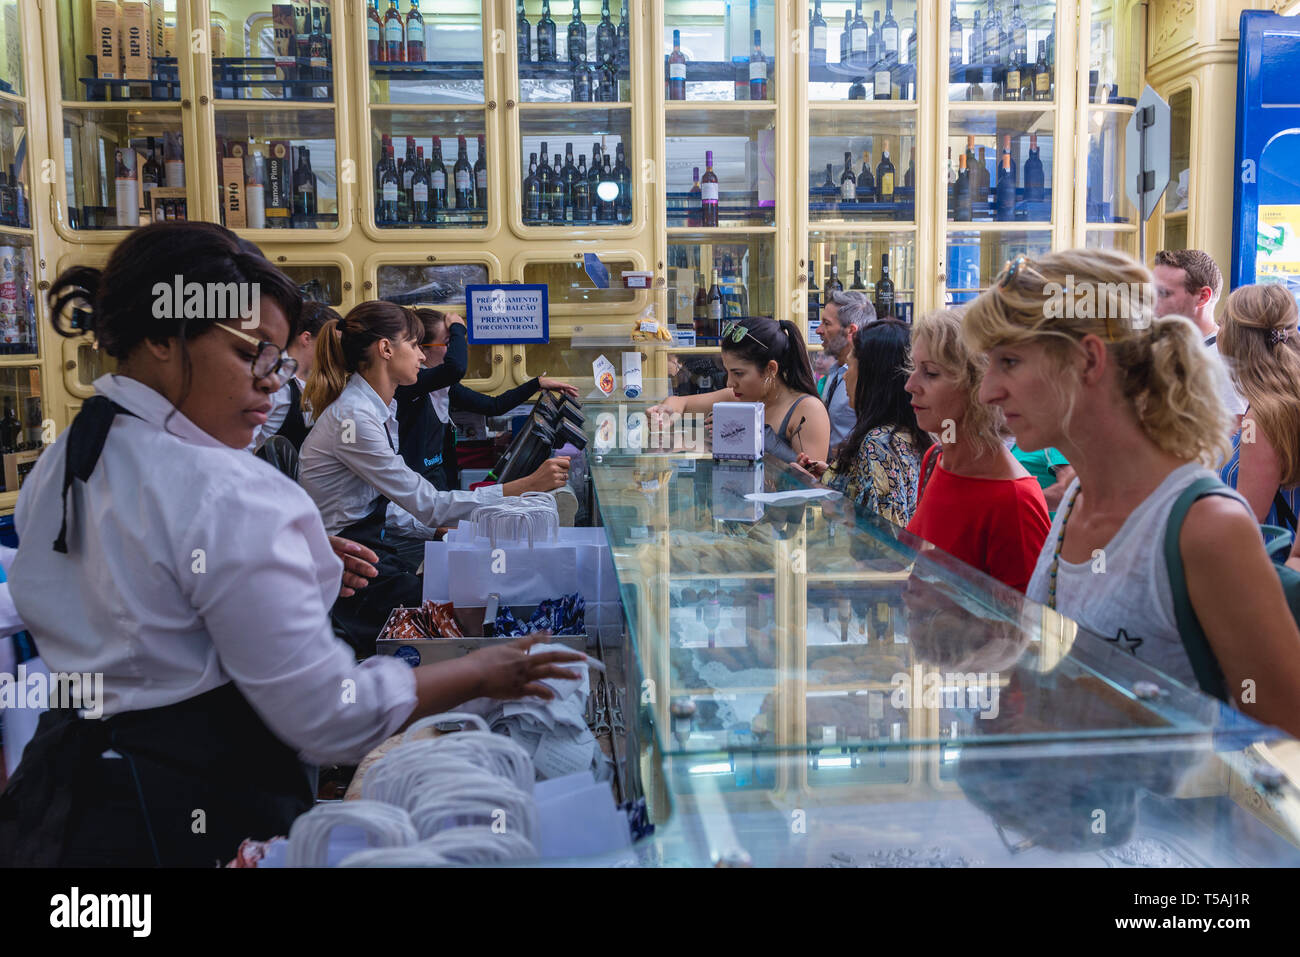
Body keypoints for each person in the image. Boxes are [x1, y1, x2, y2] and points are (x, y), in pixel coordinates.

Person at [0, 222, 582, 866]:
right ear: (164, 336)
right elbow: (329, 716)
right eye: (253, 353)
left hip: (62, 800)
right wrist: (482, 669)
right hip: (185, 818)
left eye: (278, 359)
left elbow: (136, 585)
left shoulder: (69, 455)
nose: (273, 381)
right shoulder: (230, 493)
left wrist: (276, 562)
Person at [965, 249, 1300, 737]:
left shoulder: (1204, 527)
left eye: (1010, 361)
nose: (987, 391)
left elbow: (1284, 744)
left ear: (1089, 361)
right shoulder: (1079, 496)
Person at [299, 302, 570, 649]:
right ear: (385, 349)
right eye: (414, 345)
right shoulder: (354, 420)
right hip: (348, 566)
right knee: (458, 613)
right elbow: (427, 504)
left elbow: (382, 506)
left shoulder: (377, 409)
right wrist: (523, 487)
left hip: (368, 545)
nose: (423, 358)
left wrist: (438, 529)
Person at [903, 308, 1050, 593]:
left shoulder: (1015, 502)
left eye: (931, 373)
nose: (910, 385)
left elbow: (1024, 628)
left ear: (978, 386)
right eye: (914, 368)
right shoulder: (936, 459)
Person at [400, 307, 579, 492]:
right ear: (423, 350)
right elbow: (455, 369)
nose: (455, 348)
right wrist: (457, 329)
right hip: (416, 491)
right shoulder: (412, 384)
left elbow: (494, 405)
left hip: (438, 485)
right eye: (448, 342)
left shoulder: (445, 387)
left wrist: (536, 383)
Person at [795, 319, 931, 527]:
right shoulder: (908, 432)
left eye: (851, 365)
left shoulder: (880, 444)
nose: (846, 375)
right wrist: (835, 478)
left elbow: (882, 536)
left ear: (873, 375)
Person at [648, 317, 831, 464]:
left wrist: (751, 435)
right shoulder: (740, 399)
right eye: (727, 372)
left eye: (738, 373)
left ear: (771, 369)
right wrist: (665, 412)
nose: (729, 383)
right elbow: (681, 402)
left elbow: (810, 484)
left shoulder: (808, 411)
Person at [1215, 284, 1300, 529]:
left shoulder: (1262, 418)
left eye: (1222, 323)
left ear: (1234, 340)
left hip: (1267, 560)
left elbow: (1245, 521)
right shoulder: (1283, 401)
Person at [1152, 248, 1247, 421]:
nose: (1153, 301)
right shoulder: (1165, 346)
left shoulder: (1223, 362)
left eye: (1164, 293)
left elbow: (1225, 440)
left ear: (1203, 297)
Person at [247, 300, 338, 452]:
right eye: (331, 343)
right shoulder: (275, 380)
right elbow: (247, 444)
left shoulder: (314, 380)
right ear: (306, 338)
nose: (336, 352)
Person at [818, 291, 874, 455]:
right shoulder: (835, 371)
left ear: (851, 331)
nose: (818, 330)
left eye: (826, 324)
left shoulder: (866, 380)